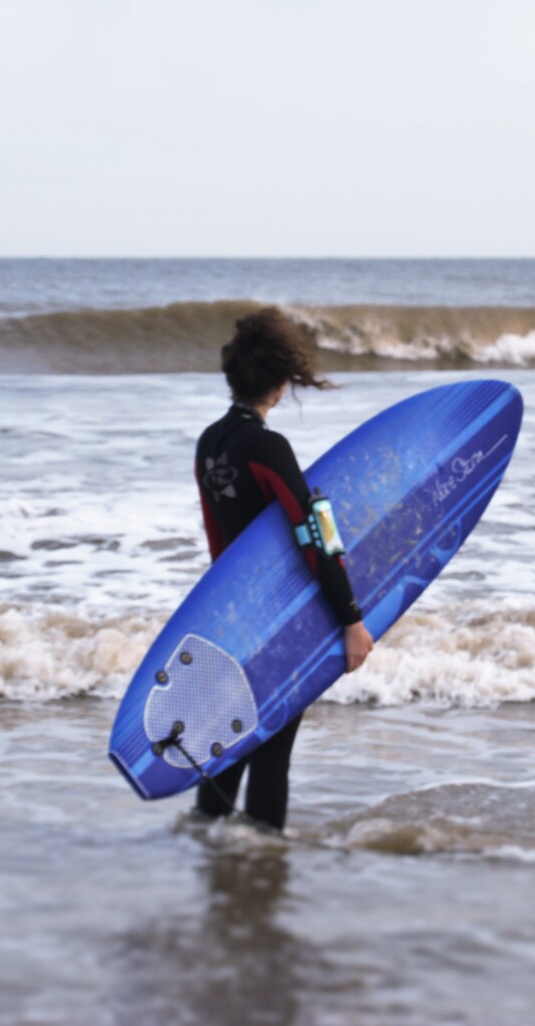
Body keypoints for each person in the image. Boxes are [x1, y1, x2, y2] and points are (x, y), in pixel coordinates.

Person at [191, 306, 374, 831]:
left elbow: (215, 534)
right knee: (274, 742)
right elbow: (315, 536)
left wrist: (222, 610)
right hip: (280, 617)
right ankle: (264, 858)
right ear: (280, 380)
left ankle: (209, 841)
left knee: (233, 735)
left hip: (233, 613)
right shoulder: (267, 447)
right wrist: (351, 617)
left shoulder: (210, 443)